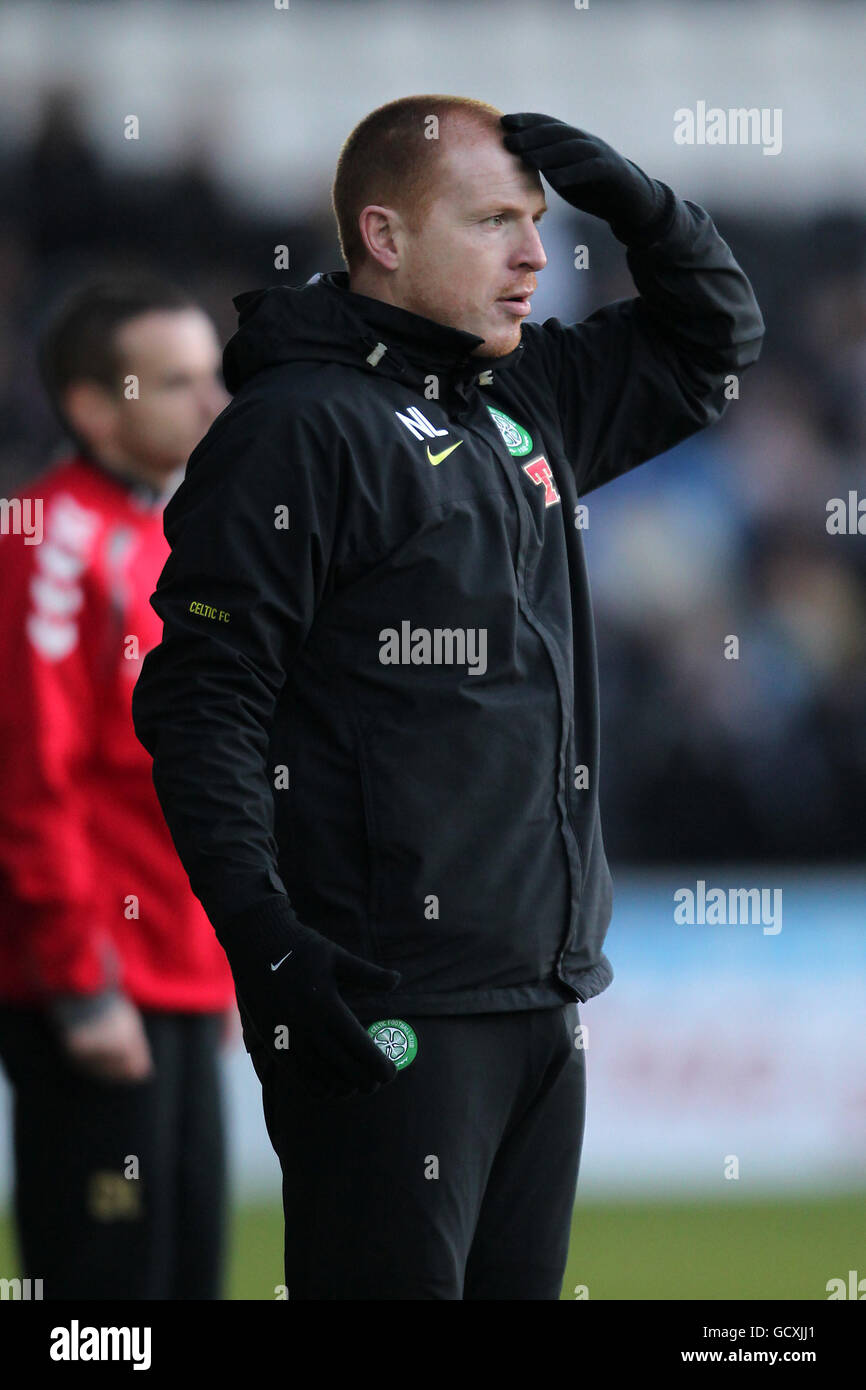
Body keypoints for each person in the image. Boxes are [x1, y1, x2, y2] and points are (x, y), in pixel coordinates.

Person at [131, 96, 764, 1300]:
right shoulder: (294, 431)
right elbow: (202, 704)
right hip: (384, 999)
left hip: (540, 988)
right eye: (492, 223)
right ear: (381, 233)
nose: (536, 257)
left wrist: (637, 200)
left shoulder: (517, 400)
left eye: (539, 222)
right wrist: (266, 946)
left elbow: (711, 342)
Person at [0, 273, 235, 1299]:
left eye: (213, 375)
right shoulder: (44, 538)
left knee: (182, 1274)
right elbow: (25, 774)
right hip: (95, 981)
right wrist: (78, 972)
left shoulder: (168, 534)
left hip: (179, 970)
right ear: (95, 408)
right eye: (177, 382)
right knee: (105, 1299)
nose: (212, 402)